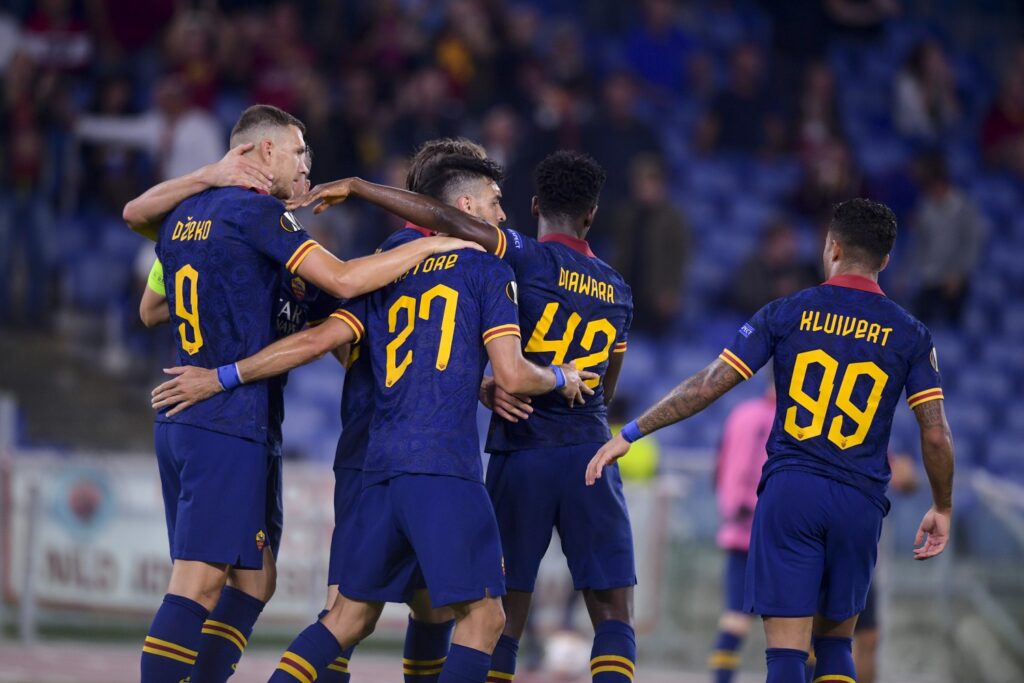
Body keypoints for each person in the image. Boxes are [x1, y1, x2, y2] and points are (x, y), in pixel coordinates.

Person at [150, 151, 595, 683]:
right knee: (482, 619)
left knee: (350, 615)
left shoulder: (381, 266)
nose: (502, 215)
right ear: (464, 205)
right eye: (495, 202)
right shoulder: (486, 265)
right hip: (442, 464)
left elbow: (322, 340)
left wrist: (224, 374)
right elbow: (515, 374)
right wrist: (560, 377)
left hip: (374, 463)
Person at [128, 103, 478, 683]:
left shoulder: (186, 213)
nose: (305, 164)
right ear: (264, 151)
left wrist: (241, 301)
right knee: (199, 582)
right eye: (297, 151)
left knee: (255, 580)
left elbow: (150, 306)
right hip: (223, 418)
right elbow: (342, 279)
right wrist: (432, 245)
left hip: (204, 419)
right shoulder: (259, 214)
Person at [291, 150, 638, 683]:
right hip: (588, 451)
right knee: (612, 613)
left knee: (498, 615)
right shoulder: (618, 288)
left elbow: (444, 221)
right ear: (592, 214)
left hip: (517, 451)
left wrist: (360, 187)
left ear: (536, 205)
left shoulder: (517, 257)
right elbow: (603, 390)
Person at [588, 198, 955, 683]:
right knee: (836, 645)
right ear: (886, 260)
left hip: (792, 492)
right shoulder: (911, 334)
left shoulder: (787, 312)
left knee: (785, 652)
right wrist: (943, 505)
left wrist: (633, 432)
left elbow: (708, 385)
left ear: (832, 246)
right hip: (860, 500)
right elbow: (935, 433)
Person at [708, 379, 774, 683]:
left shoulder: (740, 413)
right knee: (802, 625)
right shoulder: (786, 419)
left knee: (734, 618)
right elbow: (748, 467)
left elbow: (719, 465)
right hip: (775, 535)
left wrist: (730, 507)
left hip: (738, 532)